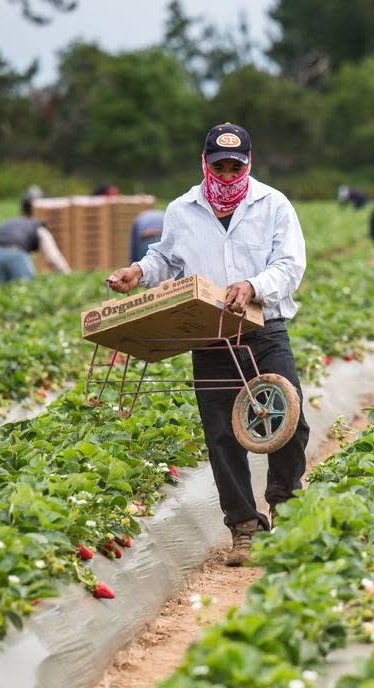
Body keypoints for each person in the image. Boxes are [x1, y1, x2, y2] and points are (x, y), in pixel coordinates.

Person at [106, 122, 309, 566]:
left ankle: (286, 506)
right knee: (221, 436)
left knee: (289, 423)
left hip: (264, 329)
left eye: (236, 165)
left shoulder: (273, 205)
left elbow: (290, 265)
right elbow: (166, 257)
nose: (228, 172)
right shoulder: (183, 209)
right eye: (220, 165)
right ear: (205, 163)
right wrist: (138, 273)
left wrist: (253, 286)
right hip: (210, 334)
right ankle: (245, 528)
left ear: (249, 163)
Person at [0, 192, 71, 283]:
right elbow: (53, 255)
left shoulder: (12, 221)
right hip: (14, 250)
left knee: (1, 288)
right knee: (26, 284)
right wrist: (67, 273)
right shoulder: (39, 227)